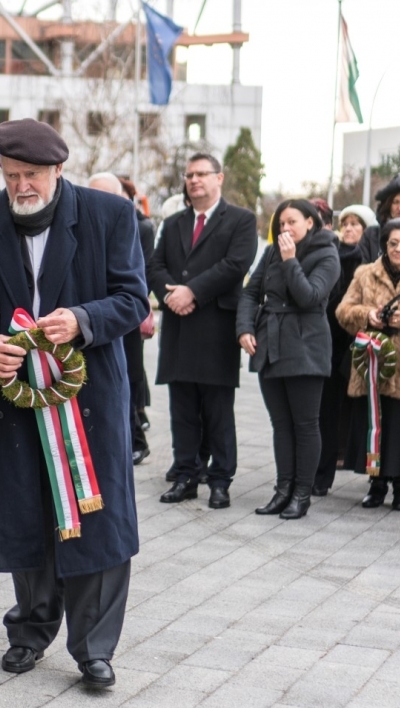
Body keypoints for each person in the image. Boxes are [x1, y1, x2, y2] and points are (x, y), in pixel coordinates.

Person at [0, 119, 149, 689]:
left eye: (31, 175)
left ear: (59, 170)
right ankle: (30, 631)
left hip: (87, 402)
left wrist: (84, 320)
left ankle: (94, 649)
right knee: (24, 516)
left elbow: (133, 300)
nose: (20, 187)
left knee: (94, 520)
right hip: (12, 402)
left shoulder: (109, 216)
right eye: (10, 177)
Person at [147, 153, 258, 509]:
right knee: (182, 409)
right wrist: (172, 295)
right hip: (179, 327)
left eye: (201, 174)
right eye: (189, 175)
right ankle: (185, 476)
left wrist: (191, 291)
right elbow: (155, 264)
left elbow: (235, 264)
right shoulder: (175, 221)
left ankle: (220, 480)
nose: (194, 180)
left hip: (214, 328)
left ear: (219, 178)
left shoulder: (240, 220)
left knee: (217, 410)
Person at [237, 200, 341, 519]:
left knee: (305, 424)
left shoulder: (326, 253)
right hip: (271, 343)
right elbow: (250, 292)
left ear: (310, 223)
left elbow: (309, 296)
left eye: (292, 222)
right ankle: (282, 490)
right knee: (280, 424)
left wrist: (290, 260)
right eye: (281, 223)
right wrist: (244, 329)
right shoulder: (271, 251)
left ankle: (301, 494)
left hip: (306, 345)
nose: (285, 229)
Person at [336, 218, 400, 510]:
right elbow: (343, 311)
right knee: (373, 423)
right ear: (384, 243)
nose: (398, 250)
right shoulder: (365, 273)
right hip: (371, 365)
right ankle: (376, 484)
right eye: (393, 243)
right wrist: (368, 315)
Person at [90, 172, 155, 464]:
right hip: (91, 318)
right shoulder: (85, 226)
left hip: (122, 318)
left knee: (125, 379)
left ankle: (135, 441)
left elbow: (141, 276)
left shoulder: (139, 226)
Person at [315, 204, 378, 494]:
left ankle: (375, 474)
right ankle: (321, 474)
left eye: (357, 224)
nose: (349, 228)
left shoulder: (371, 263)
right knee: (326, 412)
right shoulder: (331, 255)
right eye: (346, 223)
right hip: (329, 344)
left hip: (361, 346)